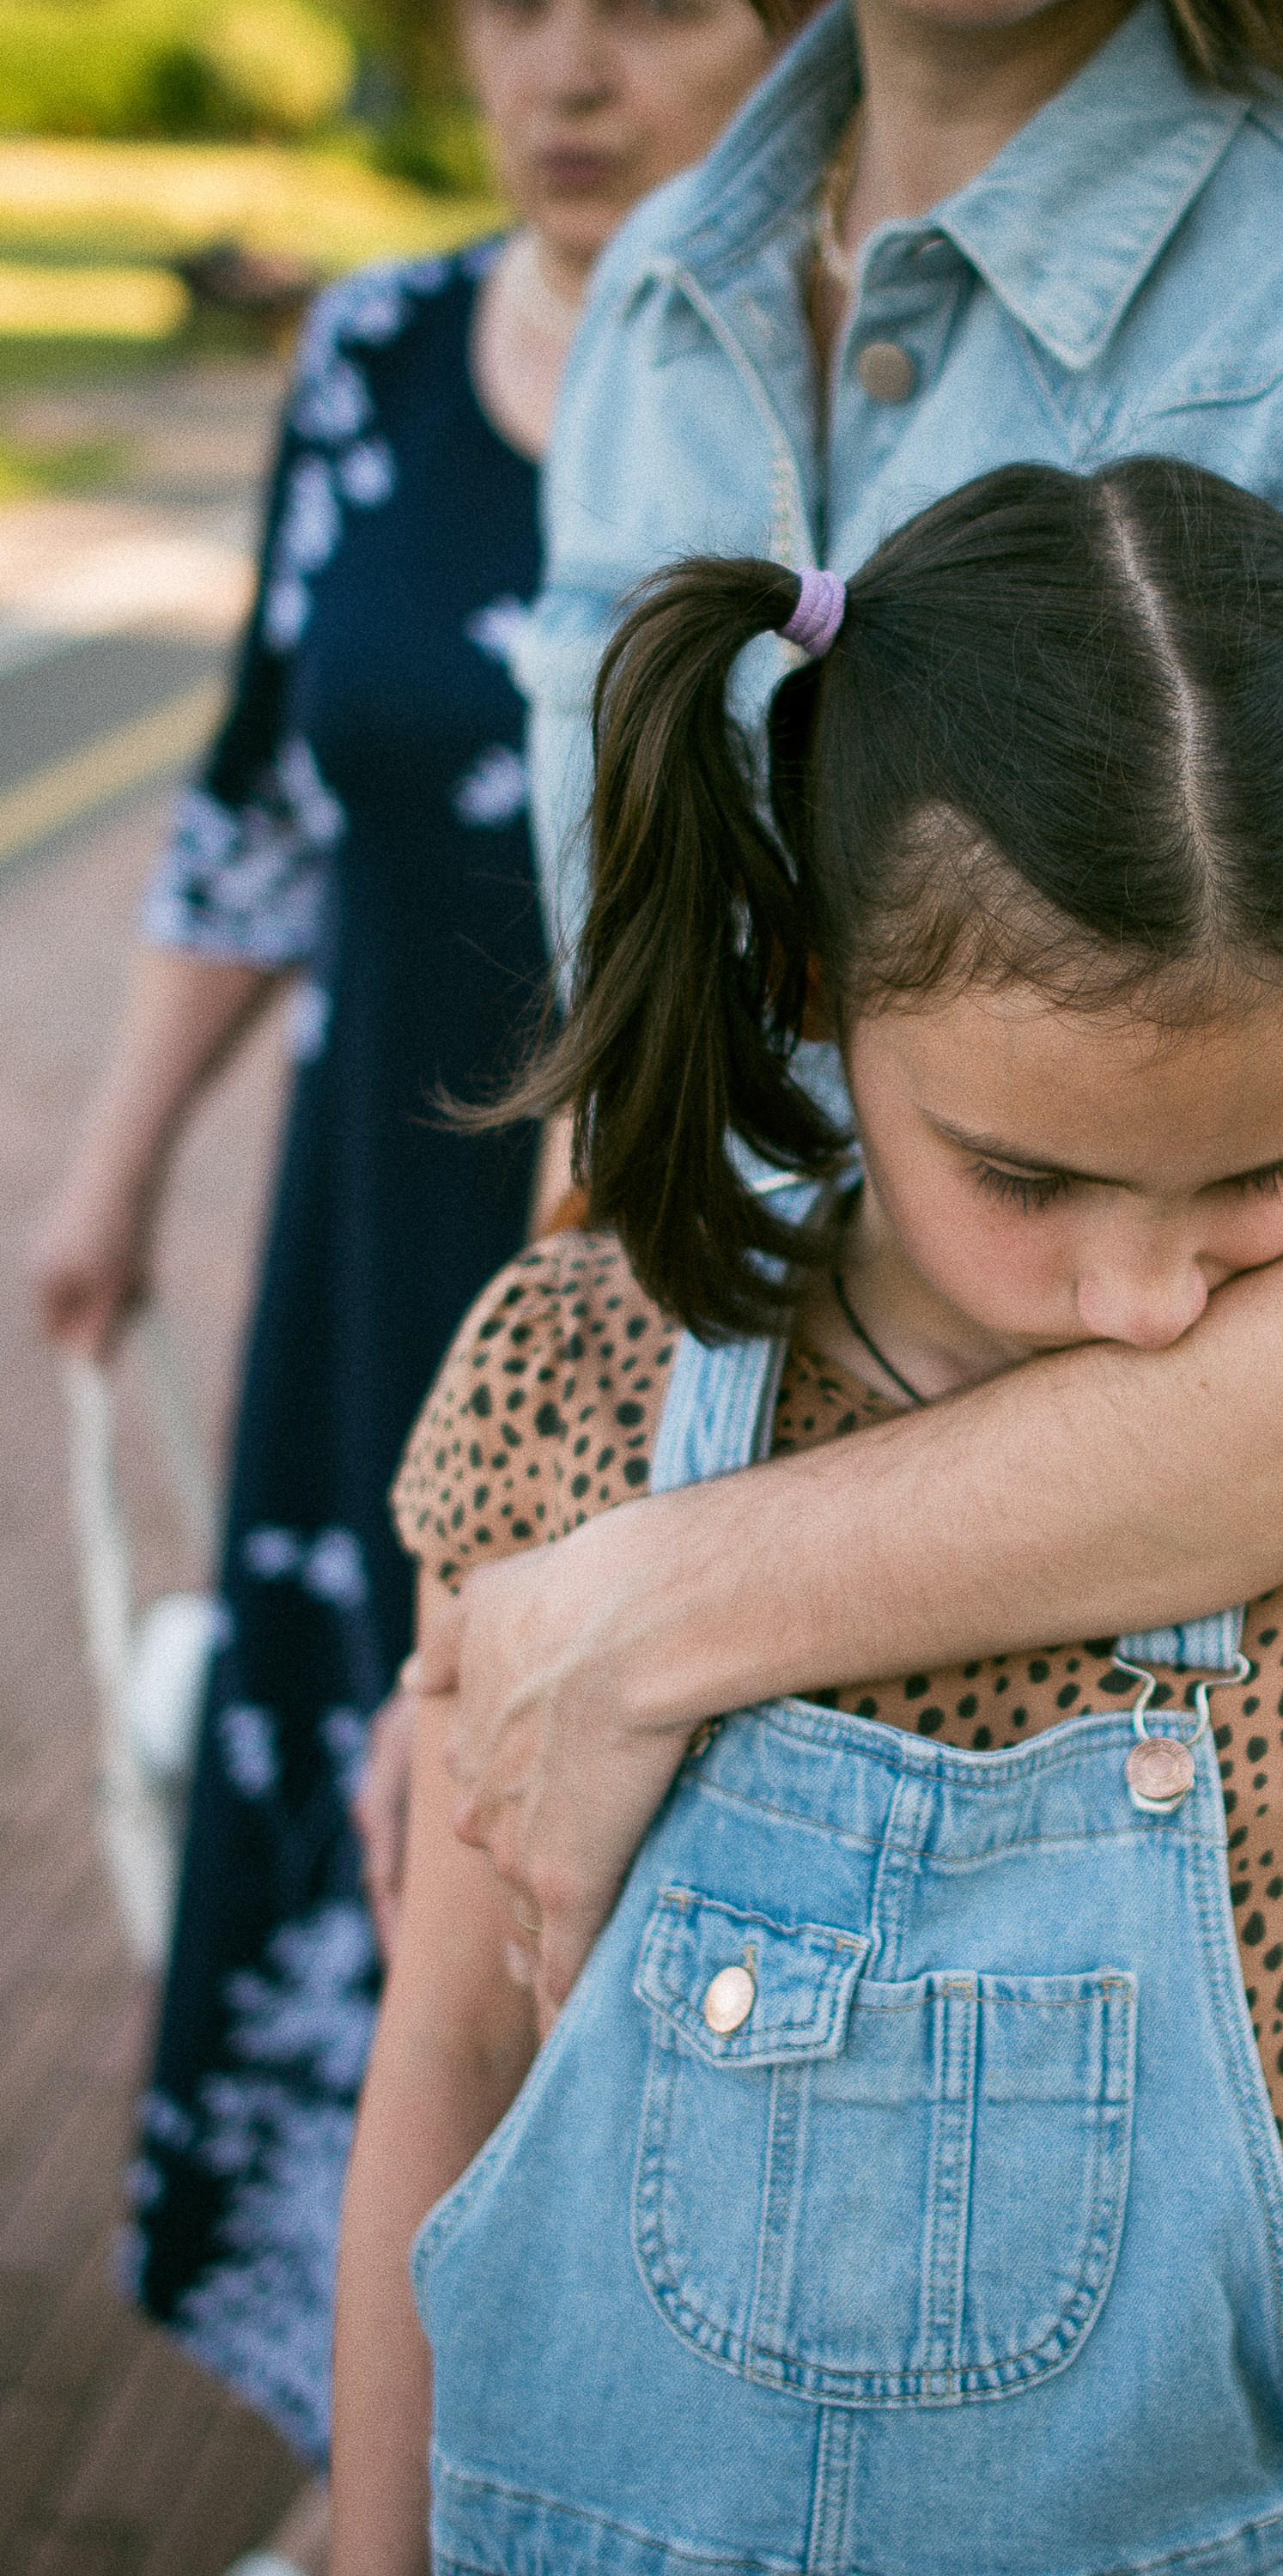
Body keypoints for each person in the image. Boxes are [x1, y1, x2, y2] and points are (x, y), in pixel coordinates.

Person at [337, 461, 1283, 2576]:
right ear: (820, 984)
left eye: (1270, 1168)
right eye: (1028, 1181)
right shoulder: (569, 1383)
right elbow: (453, 2055)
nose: (1145, 1305)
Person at [414, 0, 1283, 2062]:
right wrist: (477, 1627)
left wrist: (646, 1611)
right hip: (652, 1809)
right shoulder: (663, 291)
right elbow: (639, 1058)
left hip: (1197, 1841)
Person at [27, 0, 785, 2512]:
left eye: (648, 6)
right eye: (510, 5)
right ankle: (388, 2466)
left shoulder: (826, 379)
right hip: (375, 1261)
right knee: (362, 1869)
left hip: (690, 1309)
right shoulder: (366, 354)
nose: (560, 70)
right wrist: (116, 1171)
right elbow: (257, 802)